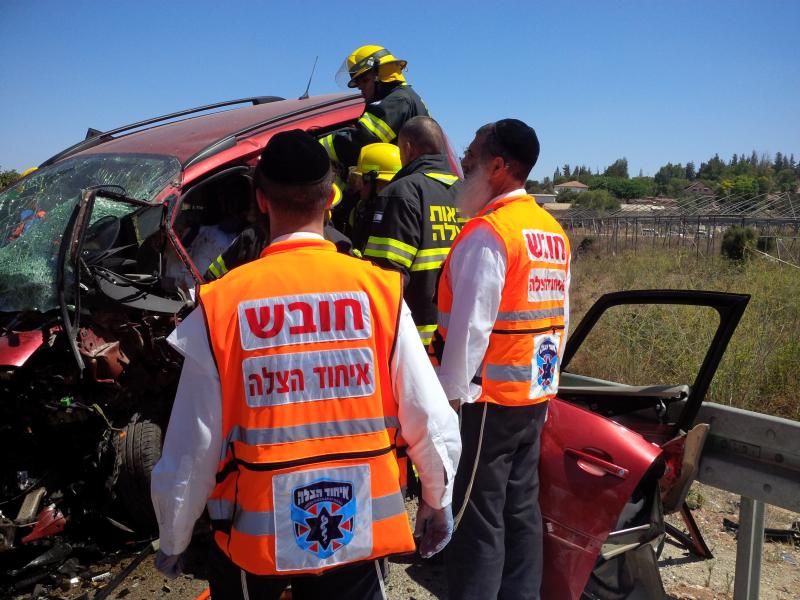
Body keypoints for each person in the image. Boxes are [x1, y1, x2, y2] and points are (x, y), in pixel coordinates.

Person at [151, 130, 461, 600]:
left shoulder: (221, 306)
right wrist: (437, 503)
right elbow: (432, 421)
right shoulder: (379, 294)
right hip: (358, 535)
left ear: (260, 199)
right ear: (332, 197)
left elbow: (192, 448)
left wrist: (173, 539)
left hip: (255, 550)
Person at [433, 119, 571, 600]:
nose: (463, 161)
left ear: (497, 165)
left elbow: (471, 328)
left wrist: (450, 402)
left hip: (486, 399)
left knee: (476, 516)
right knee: (520, 508)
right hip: (533, 393)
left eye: (472, 153)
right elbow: (559, 316)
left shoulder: (489, 233)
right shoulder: (550, 231)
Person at [362, 116, 460, 347]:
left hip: (414, 341)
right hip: (455, 339)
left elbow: (386, 278)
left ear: (407, 148)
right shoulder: (466, 193)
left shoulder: (402, 192)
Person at [319, 45, 429, 169]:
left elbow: (363, 141)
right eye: (358, 84)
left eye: (365, 81)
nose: (361, 88)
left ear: (380, 76)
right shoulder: (405, 96)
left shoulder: (397, 101)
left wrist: (317, 147)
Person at [343, 142, 402, 251]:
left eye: (361, 181)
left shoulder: (396, 219)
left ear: (379, 184)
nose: (359, 188)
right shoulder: (360, 210)